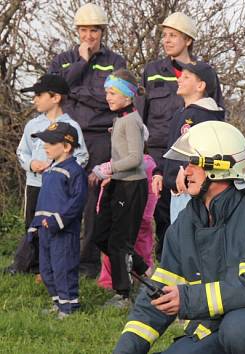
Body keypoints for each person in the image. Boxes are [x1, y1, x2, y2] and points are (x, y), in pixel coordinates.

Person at [113, 121, 245, 354]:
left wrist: (188, 299)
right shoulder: (188, 221)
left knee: (240, 329)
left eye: (193, 163)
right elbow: (159, 293)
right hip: (222, 316)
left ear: (219, 167)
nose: (186, 171)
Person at [48, 3, 126, 278]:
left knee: (94, 201)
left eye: (94, 30)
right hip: (67, 138)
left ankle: (88, 263)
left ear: (102, 31)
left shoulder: (116, 62)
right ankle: (59, 255)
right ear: (77, 31)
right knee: (64, 197)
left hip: (100, 138)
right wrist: (81, 63)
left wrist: (76, 93)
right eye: (84, 30)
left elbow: (111, 99)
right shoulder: (63, 60)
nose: (89, 36)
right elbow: (55, 91)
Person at [139, 11, 223, 260]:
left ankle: (184, 270)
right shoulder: (153, 70)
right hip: (160, 154)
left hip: (192, 162)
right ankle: (166, 265)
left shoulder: (203, 72)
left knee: (190, 217)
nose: (166, 40)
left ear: (188, 39)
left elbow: (216, 117)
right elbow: (141, 113)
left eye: (173, 35)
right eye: (164, 35)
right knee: (161, 216)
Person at [4, 75, 88, 276]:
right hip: (35, 184)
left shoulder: (72, 127)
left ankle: (51, 268)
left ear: (56, 97)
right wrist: (32, 164)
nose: (35, 100)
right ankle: (31, 266)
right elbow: (22, 152)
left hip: (59, 190)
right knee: (32, 225)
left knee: (55, 226)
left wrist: (62, 170)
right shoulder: (32, 125)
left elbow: (82, 155)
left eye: (39, 95)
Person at [91, 69, 148, 308]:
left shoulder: (131, 121)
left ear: (128, 95)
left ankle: (123, 294)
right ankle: (142, 269)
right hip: (118, 184)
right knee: (100, 236)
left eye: (113, 92)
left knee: (118, 241)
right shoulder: (121, 119)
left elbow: (136, 159)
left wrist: (108, 168)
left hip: (131, 187)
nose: (108, 97)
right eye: (107, 92)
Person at [151, 61, 225, 224]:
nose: (179, 80)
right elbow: (172, 149)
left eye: (186, 77)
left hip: (193, 194)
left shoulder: (207, 116)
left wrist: (186, 171)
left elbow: (207, 154)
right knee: (177, 242)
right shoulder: (180, 113)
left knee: (189, 243)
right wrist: (159, 172)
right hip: (175, 193)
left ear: (200, 86)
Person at [28, 122, 88, 319]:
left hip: (63, 231)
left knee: (63, 268)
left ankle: (69, 307)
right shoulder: (50, 170)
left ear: (66, 146)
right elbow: (44, 200)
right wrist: (36, 223)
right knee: (46, 269)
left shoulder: (74, 171)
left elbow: (76, 202)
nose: (45, 146)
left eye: (50, 142)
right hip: (45, 229)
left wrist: (56, 221)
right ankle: (58, 302)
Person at [98, 153, 158, 289]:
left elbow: (150, 193)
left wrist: (145, 216)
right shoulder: (115, 159)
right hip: (115, 213)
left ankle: (143, 278)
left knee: (138, 245)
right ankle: (110, 280)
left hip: (137, 216)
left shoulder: (146, 163)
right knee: (108, 243)